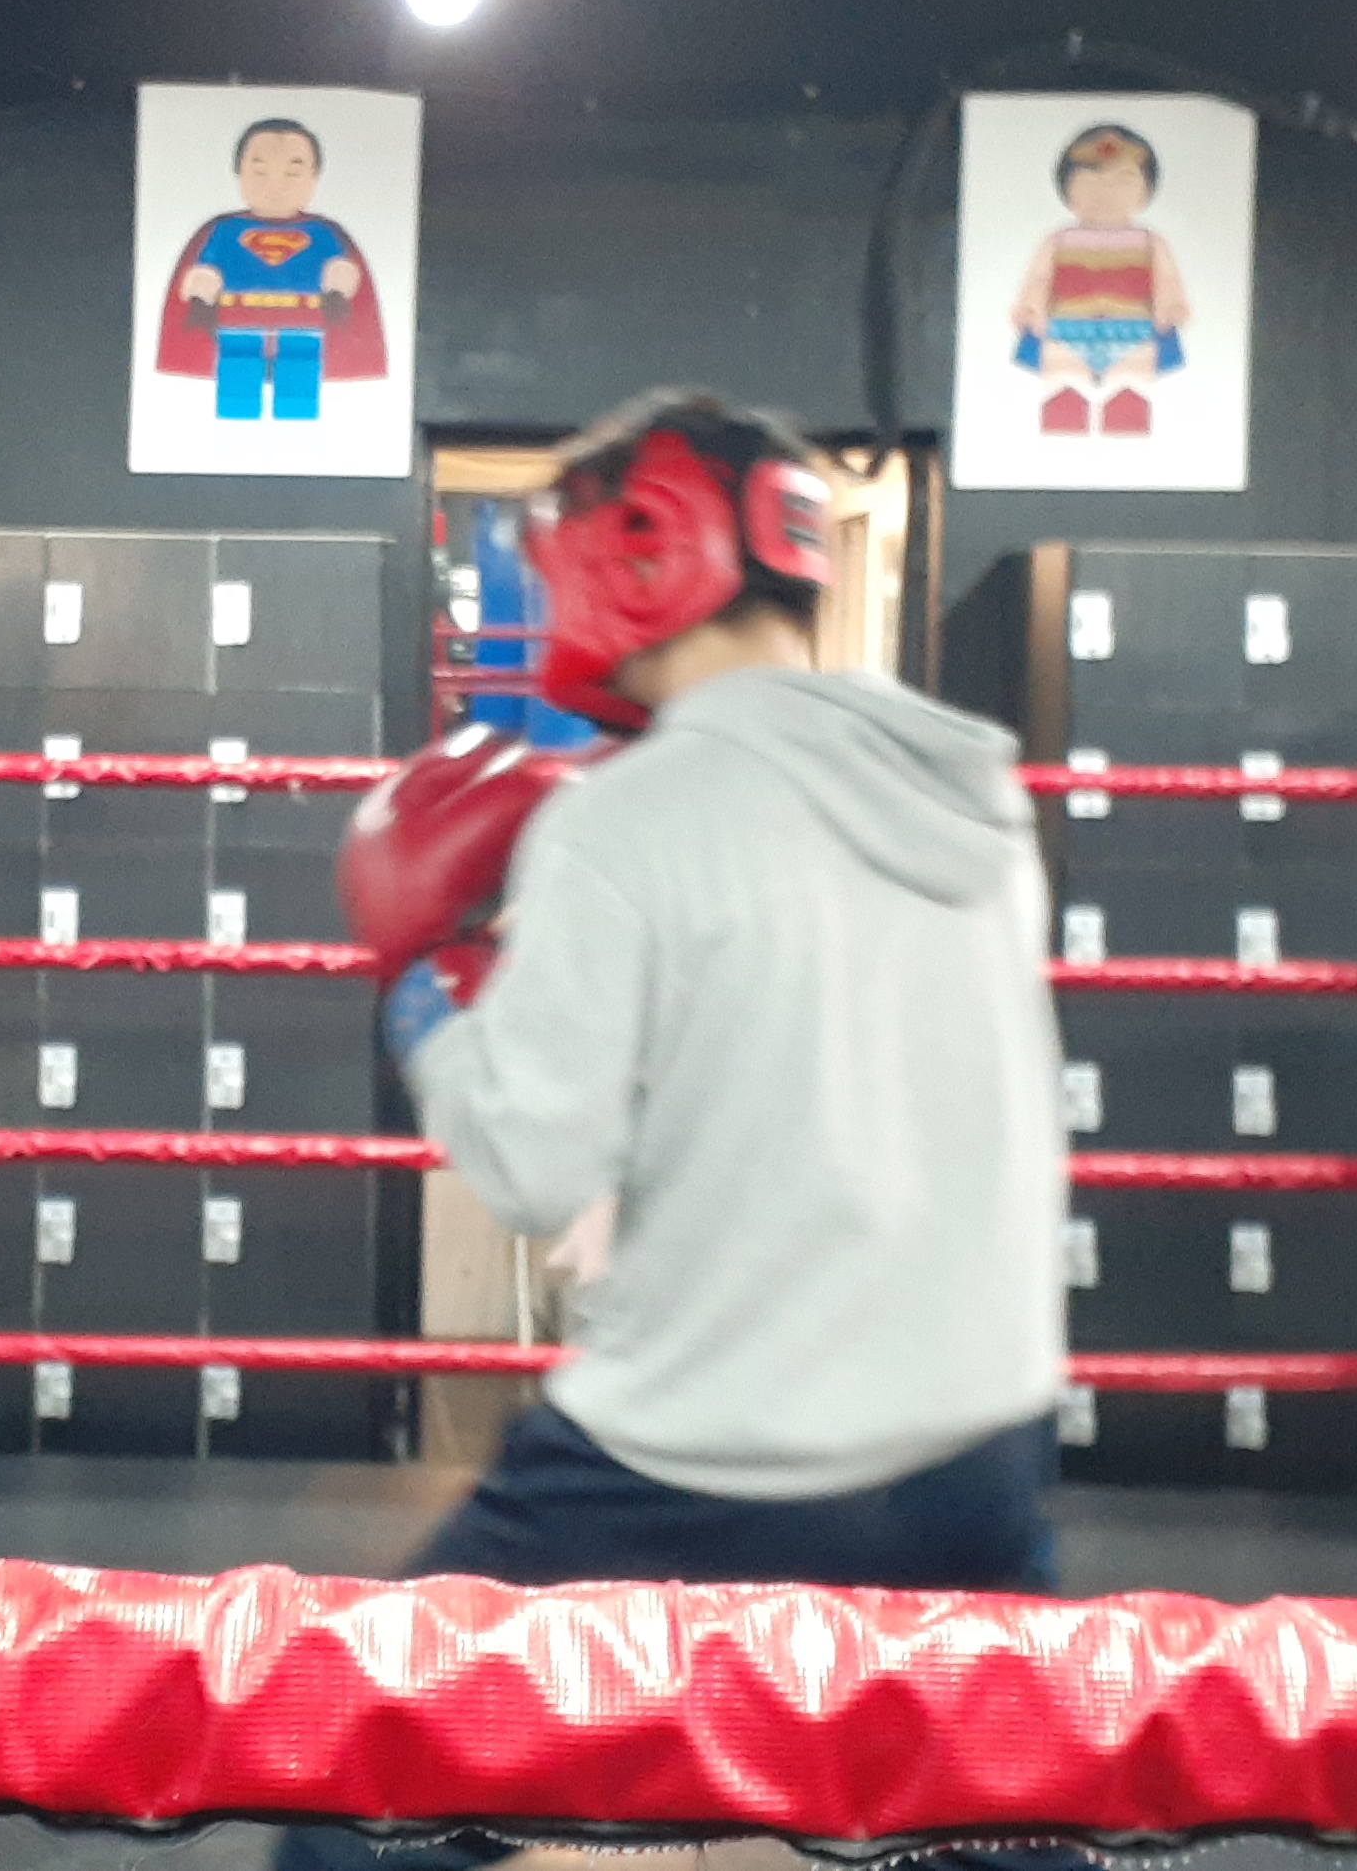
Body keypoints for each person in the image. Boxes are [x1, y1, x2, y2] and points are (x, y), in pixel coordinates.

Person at [304, 390, 1071, 1871]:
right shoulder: (974, 789)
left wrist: (423, 989)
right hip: (980, 1436)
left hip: (709, 1447)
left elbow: (533, 1166)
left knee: (361, 1789)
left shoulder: (630, 816)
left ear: (644, 553)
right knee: (1001, 1830)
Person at [153, 115, 391, 420]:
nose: (275, 186)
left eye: (293, 173)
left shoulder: (323, 232)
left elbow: (343, 269)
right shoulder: (224, 230)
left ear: (314, 177)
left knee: (299, 378)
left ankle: (296, 431)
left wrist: (340, 278)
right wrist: (202, 282)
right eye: (260, 171)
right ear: (239, 174)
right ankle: (236, 429)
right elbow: (204, 268)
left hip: (304, 321)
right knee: (238, 377)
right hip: (237, 320)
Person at [1008, 121, 1191, 437]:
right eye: (1091, 182)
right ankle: (1062, 430)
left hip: (1133, 329)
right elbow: (1038, 280)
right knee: (1064, 384)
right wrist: (1030, 308)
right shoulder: (1057, 241)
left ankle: (1126, 433)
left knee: (1130, 387)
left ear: (1146, 192)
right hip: (1066, 328)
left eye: (1124, 181)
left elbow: (1168, 283)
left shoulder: (1151, 243)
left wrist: (1172, 308)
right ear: (1068, 191)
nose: (1107, 192)